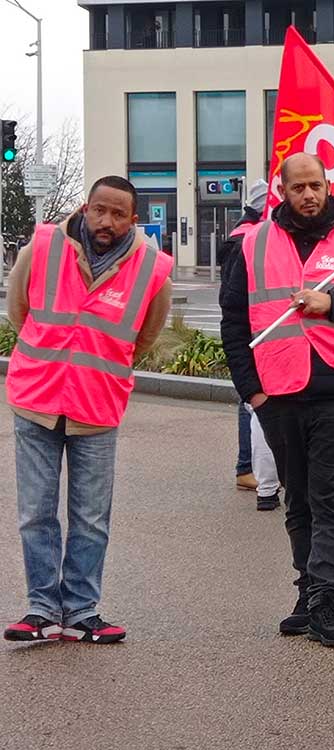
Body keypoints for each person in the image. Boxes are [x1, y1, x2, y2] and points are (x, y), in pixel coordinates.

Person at [219, 153, 334, 648]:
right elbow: (235, 324)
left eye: (316, 185)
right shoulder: (253, 244)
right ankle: (307, 588)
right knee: (297, 500)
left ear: (328, 185)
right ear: (282, 190)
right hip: (278, 394)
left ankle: (326, 599)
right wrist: (252, 393)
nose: (309, 194)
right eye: (298, 186)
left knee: (333, 501)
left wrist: (333, 302)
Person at [3, 176, 173, 644]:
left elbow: (145, 337)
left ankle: (80, 610)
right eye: (100, 210)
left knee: (91, 517)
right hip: (36, 400)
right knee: (35, 512)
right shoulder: (40, 249)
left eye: (118, 214)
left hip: (97, 406)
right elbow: (20, 312)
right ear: (85, 207)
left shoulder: (152, 269)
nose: (107, 221)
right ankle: (41, 609)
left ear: (133, 219)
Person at [220, 178, 270, 494]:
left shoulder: (243, 236)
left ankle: (252, 465)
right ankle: (246, 467)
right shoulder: (246, 239)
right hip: (252, 328)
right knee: (248, 398)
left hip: (255, 325)